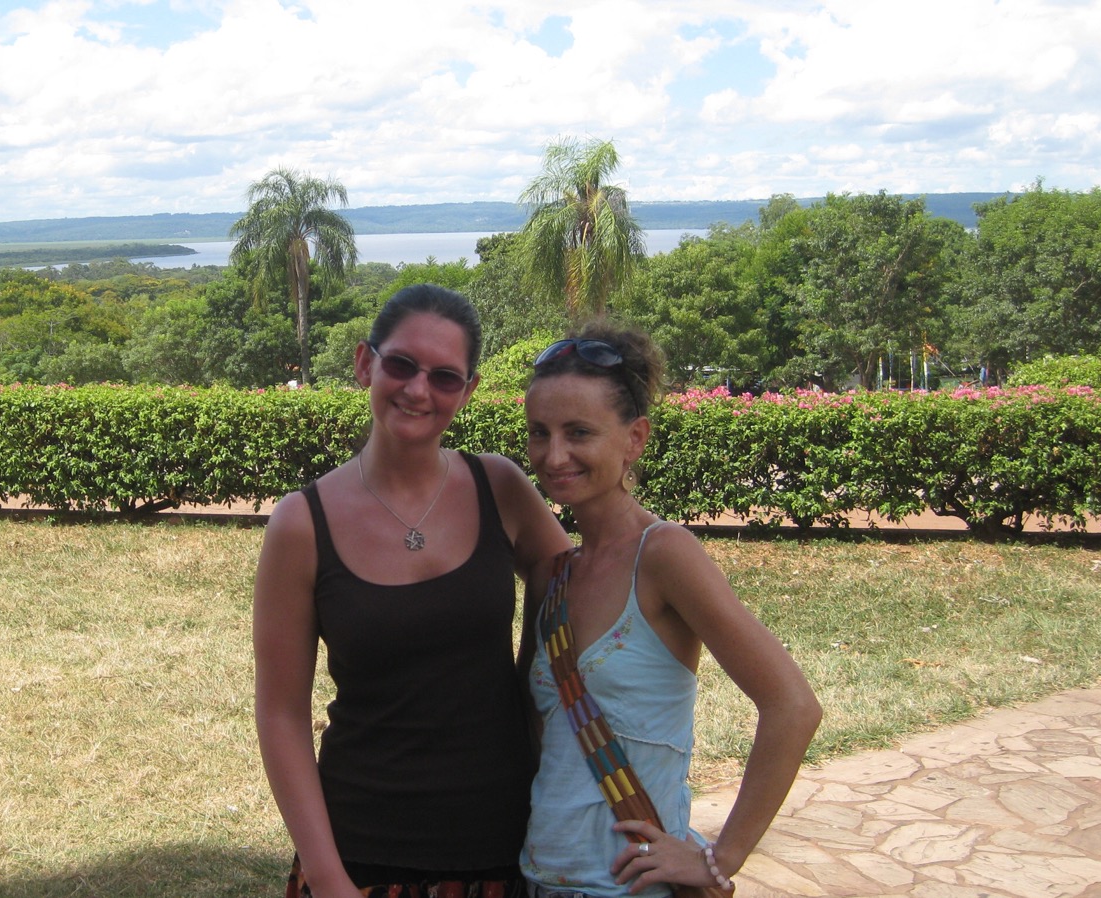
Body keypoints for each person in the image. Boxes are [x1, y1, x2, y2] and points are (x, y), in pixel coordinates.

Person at [253, 284, 572, 898]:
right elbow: (281, 714)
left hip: (503, 841)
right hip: (362, 850)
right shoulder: (302, 523)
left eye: (445, 377)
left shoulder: (499, 486)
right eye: (401, 364)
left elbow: (578, 584)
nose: (419, 390)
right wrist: (327, 877)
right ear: (364, 363)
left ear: (468, 390)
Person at [519, 321, 821, 898]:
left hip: (631, 888)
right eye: (540, 433)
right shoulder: (552, 576)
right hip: (537, 879)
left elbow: (793, 707)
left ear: (634, 438)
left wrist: (719, 860)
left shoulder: (662, 555)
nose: (554, 455)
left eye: (579, 432)